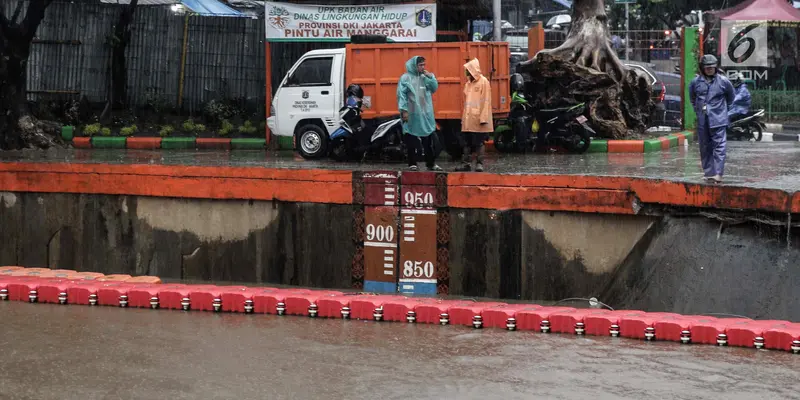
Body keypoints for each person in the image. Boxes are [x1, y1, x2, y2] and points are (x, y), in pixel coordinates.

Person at [690, 54, 735, 184]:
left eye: (712, 67)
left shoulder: (723, 81)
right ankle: (709, 173)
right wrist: (698, 109)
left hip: (718, 119)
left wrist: (724, 112)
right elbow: (693, 98)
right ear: (702, 68)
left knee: (719, 147)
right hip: (703, 119)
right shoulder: (695, 82)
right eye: (707, 67)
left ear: (716, 67)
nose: (709, 69)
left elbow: (731, 98)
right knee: (704, 146)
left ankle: (718, 174)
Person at [397, 56, 442, 171]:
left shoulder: (424, 77)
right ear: (414, 65)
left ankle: (430, 163)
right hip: (411, 113)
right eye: (420, 65)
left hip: (425, 113)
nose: (423, 67)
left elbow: (434, 88)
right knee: (410, 138)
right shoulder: (405, 78)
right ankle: (412, 163)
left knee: (428, 139)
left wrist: (431, 77)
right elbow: (401, 95)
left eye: (424, 65)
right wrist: (404, 110)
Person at [457, 58, 493, 172]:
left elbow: (486, 101)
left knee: (479, 142)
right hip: (468, 119)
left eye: (467, 69)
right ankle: (466, 164)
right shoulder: (468, 84)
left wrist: (483, 118)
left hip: (478, 119)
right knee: (466, 143)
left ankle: (479, 164)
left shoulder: (483, 82)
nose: (466, 72)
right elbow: (466, 102)